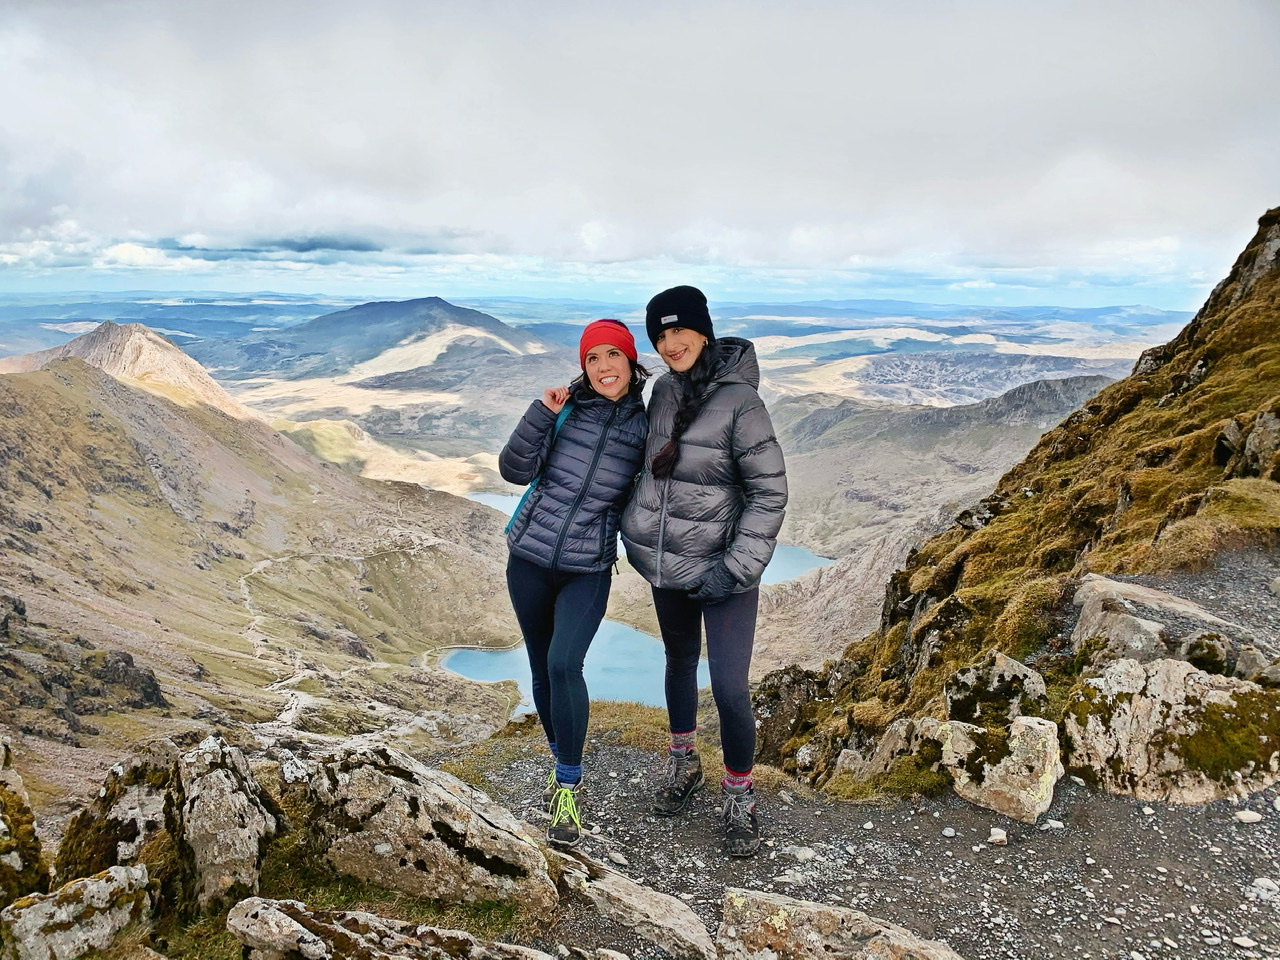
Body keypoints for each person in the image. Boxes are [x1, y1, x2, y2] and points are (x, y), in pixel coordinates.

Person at [621, 285, 787, 858]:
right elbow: (651, 473)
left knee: (730, 686)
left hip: (723, 573)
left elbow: (769, 494)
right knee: (678, 663)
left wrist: (736, 569)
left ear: (704, 330)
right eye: (660, 335)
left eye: (679, 331)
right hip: (668, 566)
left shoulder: (742, 402)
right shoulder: (663, 392)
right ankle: (683, 762)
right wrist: (638, 533)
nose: (670, 343)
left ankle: (740, 793)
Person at [499, 318, 649, 848]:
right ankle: (559, 759)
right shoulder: (564, 410)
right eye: (593, 358)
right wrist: (542, 414)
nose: (604, 367)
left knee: (566, 663)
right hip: (530, 558)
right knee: (542, 665)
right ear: (583, 366)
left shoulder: (646, 426)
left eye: (613, 355)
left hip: (588, 566)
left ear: (631, 362)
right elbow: (514, 471)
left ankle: (568, 786)